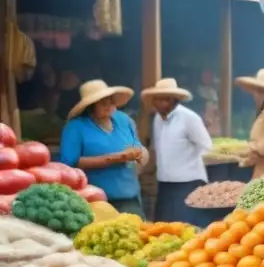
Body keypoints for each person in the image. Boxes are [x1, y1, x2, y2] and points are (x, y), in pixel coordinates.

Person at [59, 79, 147, 216]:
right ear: (90, 106)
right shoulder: (75, 127)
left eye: (111, 101)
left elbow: (138, 148)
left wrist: (140, 156)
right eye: (102, 102)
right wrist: (112, 159)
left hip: (128, 197)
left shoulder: (124, 120)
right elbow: (70, 164)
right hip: (93, 201)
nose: (108, 106)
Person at [144, 78, 213, 223]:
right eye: (156, 99)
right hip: (165, 184)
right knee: (163, 228)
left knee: (188, 228)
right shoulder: (157, 119)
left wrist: (190, 166)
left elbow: (206, 147)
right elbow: (157, 150)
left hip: (188, 183)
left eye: (162, 99)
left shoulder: (189, 118)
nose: (157, 103)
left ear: (172, 100)